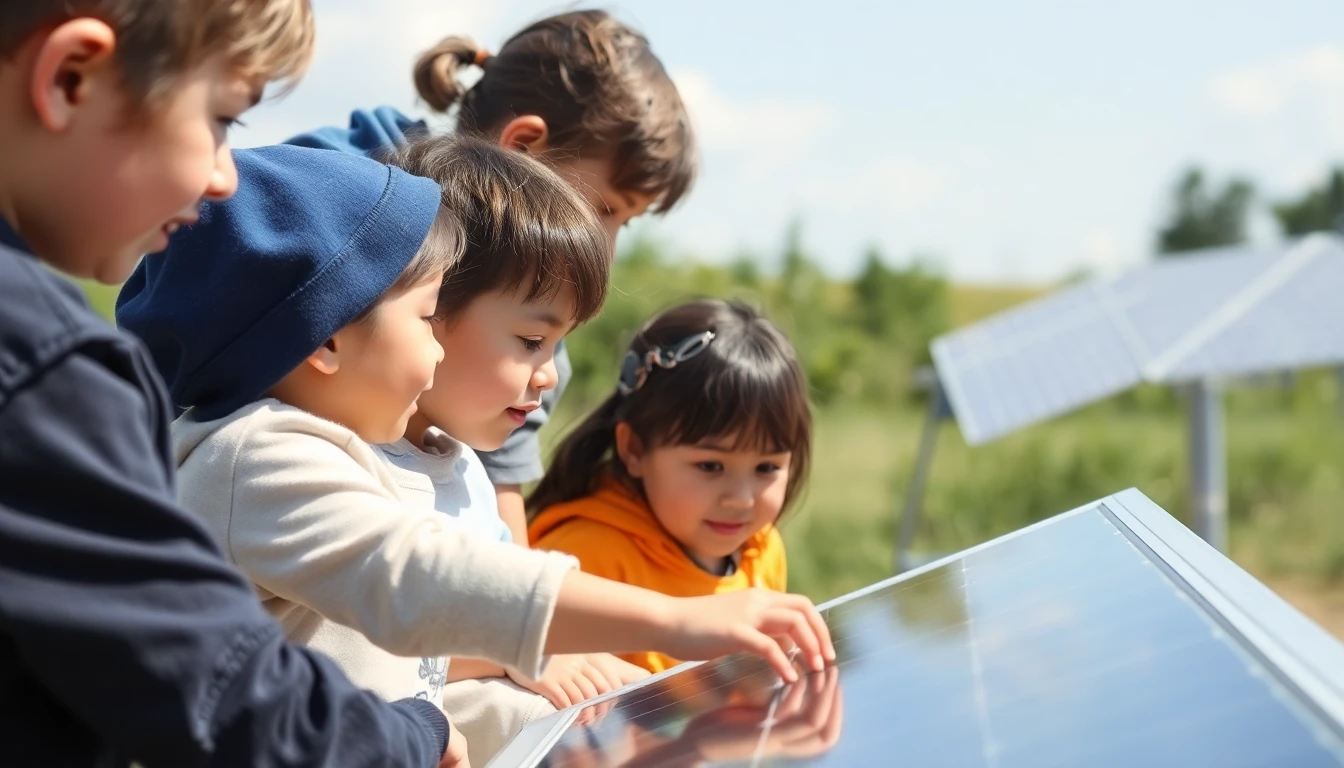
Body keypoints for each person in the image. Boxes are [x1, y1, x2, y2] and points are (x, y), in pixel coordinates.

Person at [117, 141, 833, 760]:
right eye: (428, 317)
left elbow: (422, 684)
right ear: (327, 337)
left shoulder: (447, 462)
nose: (436, 349)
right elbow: (421, 580)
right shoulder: (259, 456)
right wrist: (677, 621)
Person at [0, 1, 466, 765]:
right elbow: (220, 696)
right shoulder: (45, 376)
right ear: (71, 77)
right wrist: (417, 734)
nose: (224, 178)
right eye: (222, 119)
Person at [285, 9, 696, 544]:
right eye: (606, 209)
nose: (607, 245)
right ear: (524, 146)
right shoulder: (333, 203)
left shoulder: (529, 353)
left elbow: (502, 514)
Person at [529, 300, 814, 675]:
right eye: (711, 465)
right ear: (634, 449)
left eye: (767, 467)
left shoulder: (762, 550)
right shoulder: (584, 560)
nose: (741, 499)